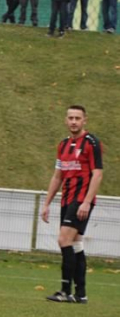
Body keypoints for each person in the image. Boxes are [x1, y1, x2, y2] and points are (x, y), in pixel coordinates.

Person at [40, 106, 102, 305]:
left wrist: (86, 201)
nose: (74, 121)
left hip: (80, 200)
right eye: (70, 118)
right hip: (67, 200)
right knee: (75, 244)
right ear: (66, 120)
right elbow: (58, 176)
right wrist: (47, 203)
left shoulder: (91, 143)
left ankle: (66, 290)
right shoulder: (63, 145)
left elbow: (97, 174)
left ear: (85, 120)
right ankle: (80, 294)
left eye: (77, 118)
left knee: (63, 240)